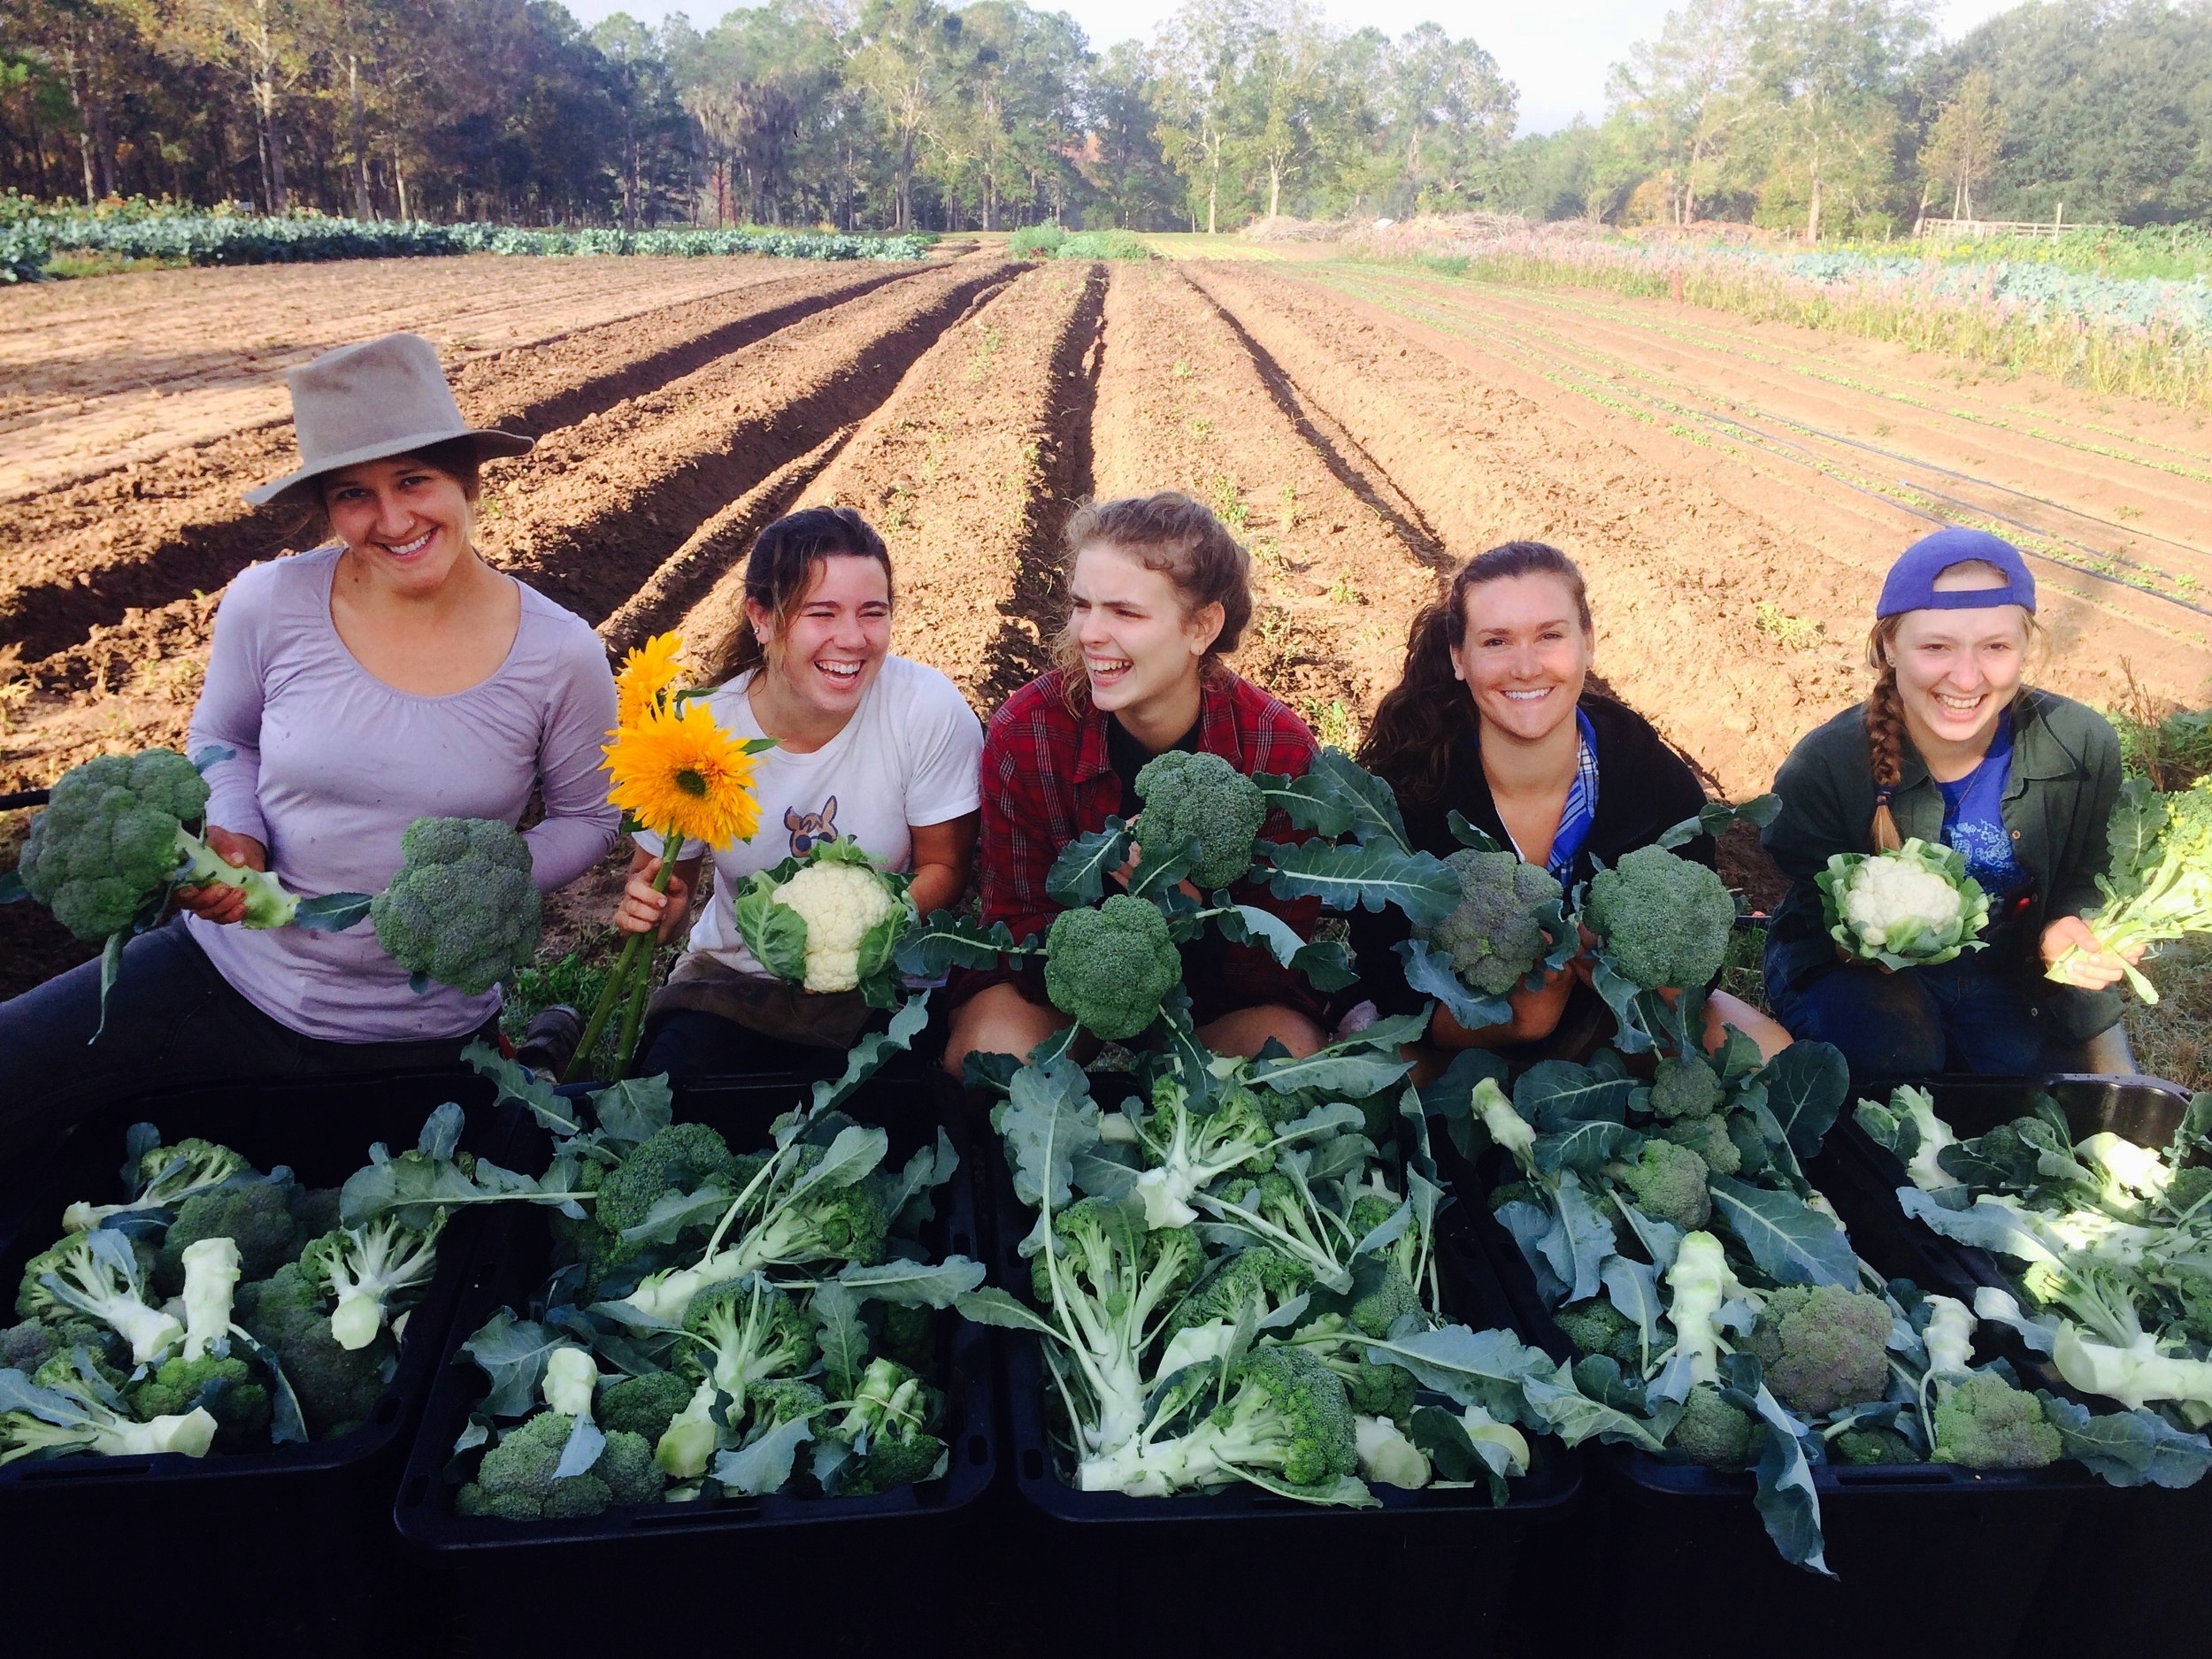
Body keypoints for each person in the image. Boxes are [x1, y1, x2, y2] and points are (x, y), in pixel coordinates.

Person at [0, 332, 619, 1144]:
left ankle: (528, 1057)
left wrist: (473, 885)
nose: (393, 519)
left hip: (417, 1023)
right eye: (353, 494)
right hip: (230, 977)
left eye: (414, 480)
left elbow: (589, 816)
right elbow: (223, 736)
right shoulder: (270, 601)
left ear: (466, 481)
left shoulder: (559, 651)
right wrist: (237, 829)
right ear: (326, 507)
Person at [1352, 541, 1789, 1066]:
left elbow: (1697, 957)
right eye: (1496, 641)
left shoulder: (1650, 777)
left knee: (1768, 1054)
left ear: (1588, 642)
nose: (1526, 666)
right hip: (1457, 1032)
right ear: (1459, 658)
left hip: (1617, 1022)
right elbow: (1388, 980)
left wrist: (1621, 963)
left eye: (1550, 636)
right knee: (1366, 1065)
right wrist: (1519, 1023)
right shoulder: (1407, 793)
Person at [941, 492, 1326, 1076]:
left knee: (1291, 1064)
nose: (1090, 633)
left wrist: (1190, 914)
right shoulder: (1029, 732)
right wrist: (1103, 931)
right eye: (1081, 604)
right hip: (1063, 992)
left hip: (1219, 1001)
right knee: (990, 1059)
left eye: (1125, 612)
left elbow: (1281, 962)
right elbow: (1012, 922)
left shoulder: (1276, 751)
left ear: (1201, 627)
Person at [615, 507, 982, 1080]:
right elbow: (665, 882)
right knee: (677, 1112)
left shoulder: (926, 710)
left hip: (881, 980)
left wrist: (855, 934)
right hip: (736, 979)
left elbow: (945, 865)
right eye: (822, 612)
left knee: (883, 1138)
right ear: (761, 618)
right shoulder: (698, 732)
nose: (853, 638)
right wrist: (657, 907)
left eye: (872, 612)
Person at [1762, 526, 2139, 1081]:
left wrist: (2067, 926)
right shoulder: (1826, 766)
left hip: (2006, 965)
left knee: (2030, 1098)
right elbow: (1810, 897)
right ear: (1890, 646)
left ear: (2025, 647)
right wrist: (1865, 945)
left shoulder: (2081, 744)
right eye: (1936, 646)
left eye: (1996, 647)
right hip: (1863, 970)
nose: (1966, 678)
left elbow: (2090, 871)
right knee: (1894, 1063)